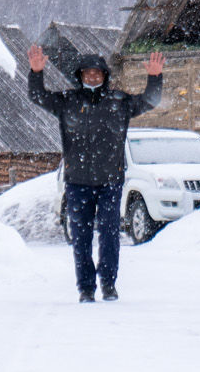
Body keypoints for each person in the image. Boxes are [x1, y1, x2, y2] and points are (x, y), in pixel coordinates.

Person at [24, 42, 165, 303]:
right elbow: (38, 97)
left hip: (110, 182)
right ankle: (86, 288)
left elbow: (149, 100)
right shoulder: (67, 101)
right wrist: (36, 73)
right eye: (87, 73)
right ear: (80, 76)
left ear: (105, 76)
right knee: (81, 239)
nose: (92, 76)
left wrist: (155, 77)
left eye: (97, 73)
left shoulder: (119, 102)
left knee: (110, 235)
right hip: (77, 182)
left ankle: (109, 285)